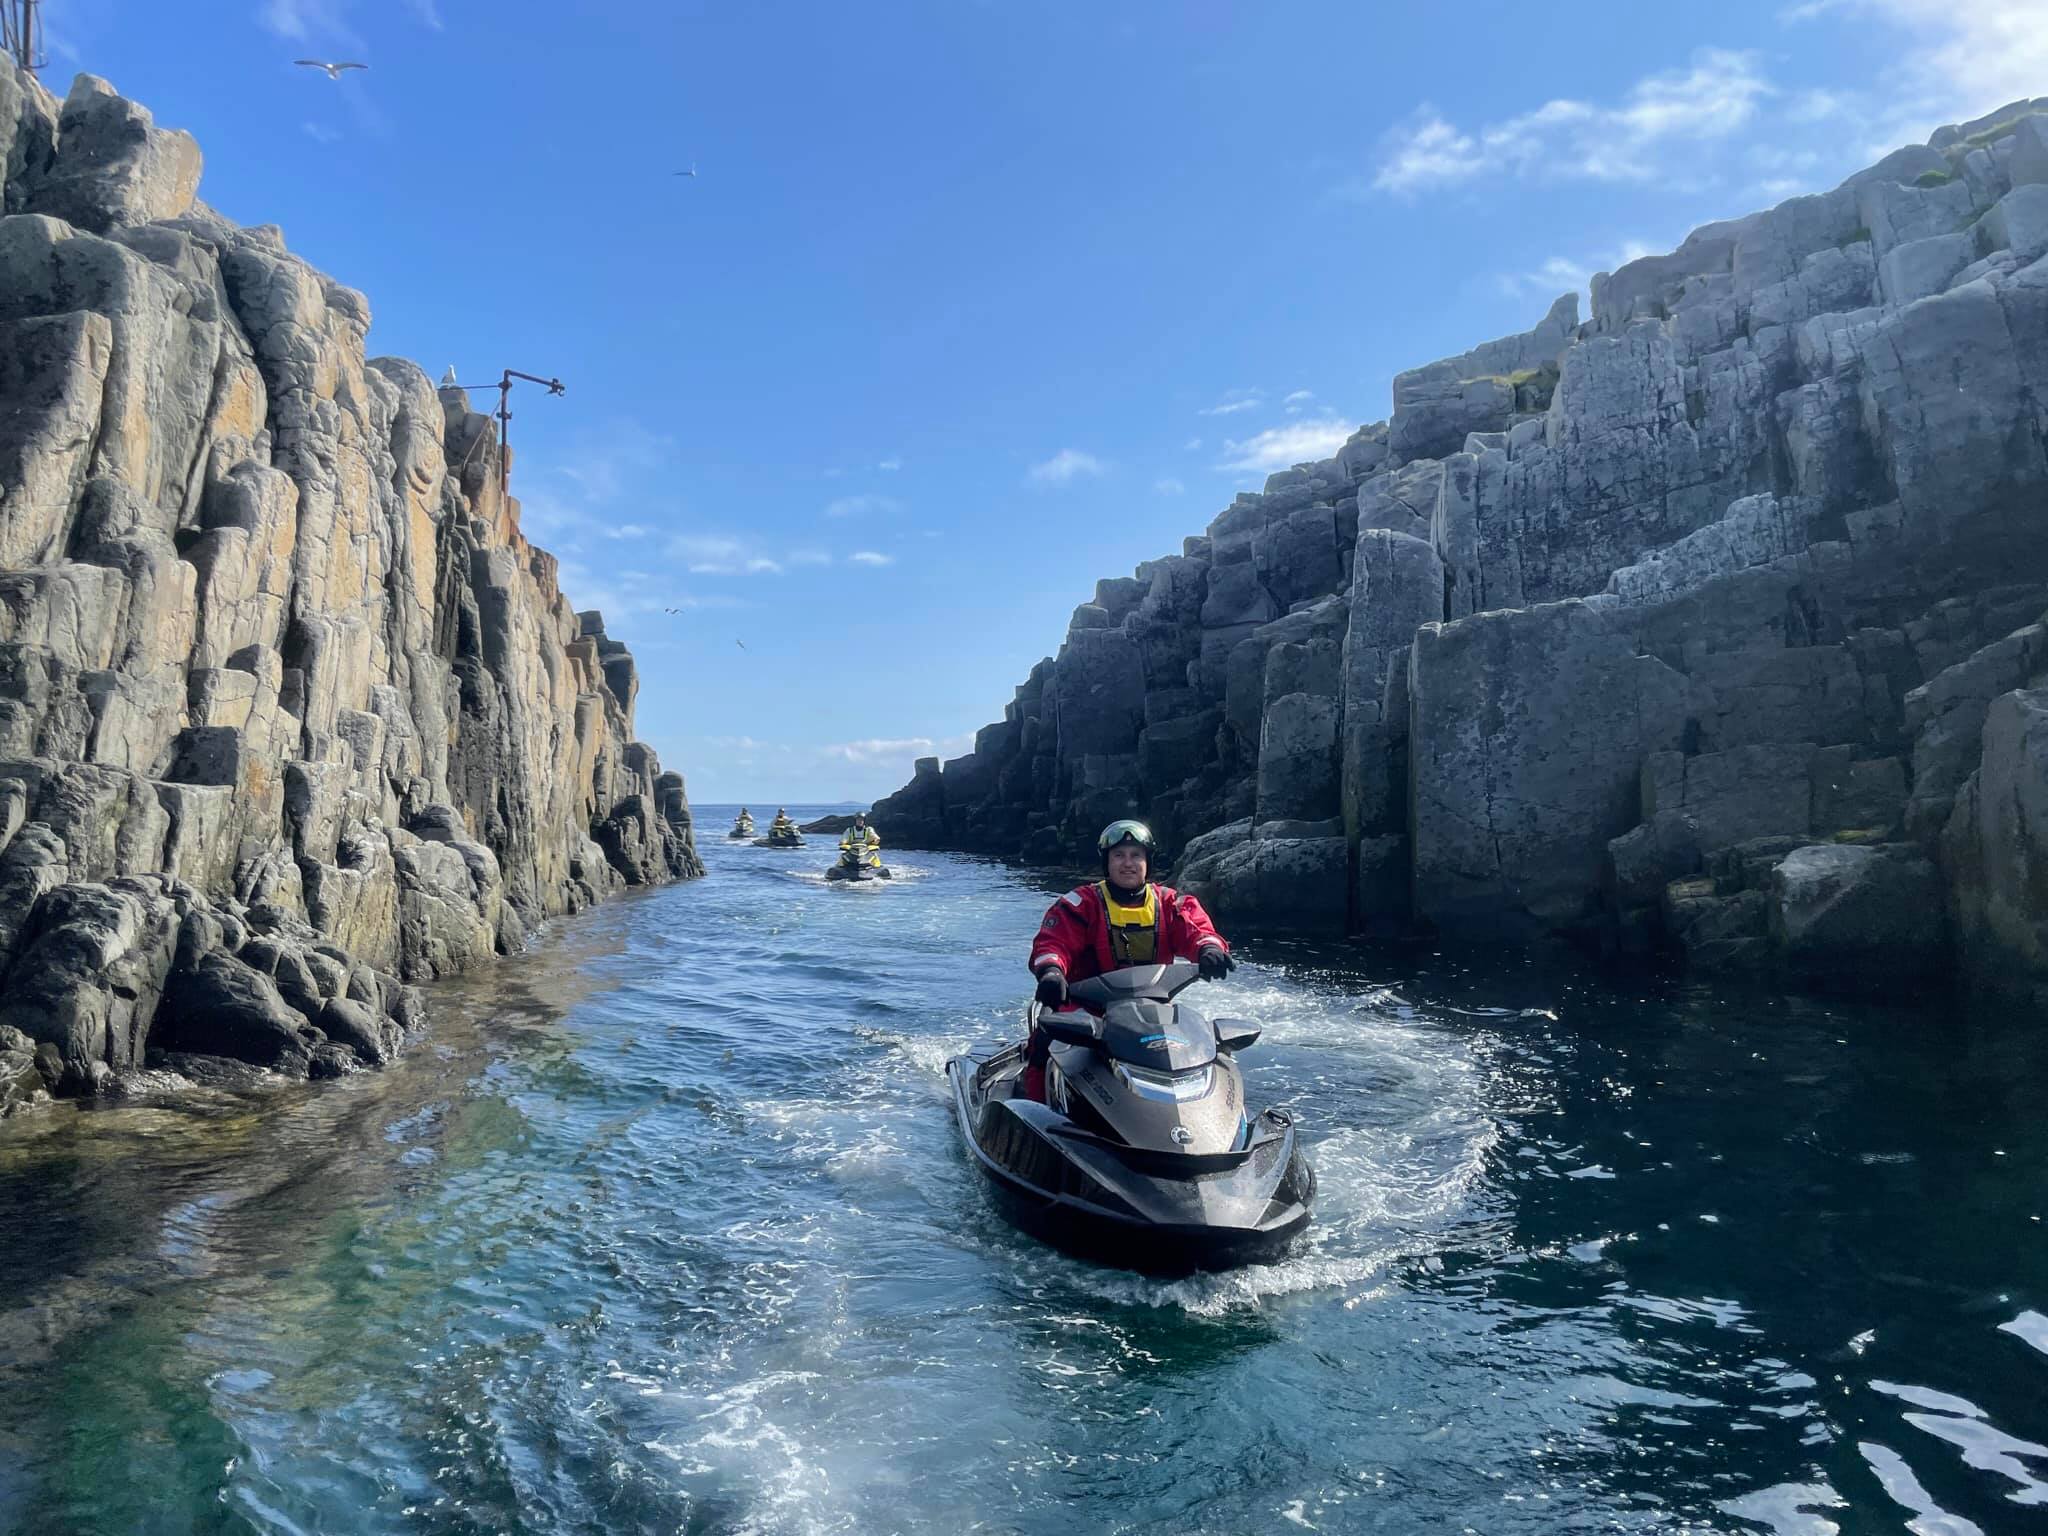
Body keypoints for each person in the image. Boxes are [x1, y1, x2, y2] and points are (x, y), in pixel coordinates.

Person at [1019, 819, 1234, 1103]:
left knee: (1216, 1052)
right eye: (1119, 855)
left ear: (1147, 862)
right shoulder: (1080, 904)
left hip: (1152, 1013)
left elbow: (1198, 931)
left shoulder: (1171, 903)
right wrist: (1052, 971)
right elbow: (1053, 943)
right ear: (1106, 862)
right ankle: (1034, 1106)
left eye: (1136, 856)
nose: (1127, 863)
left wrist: (1209, 950)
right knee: (1045, 1039)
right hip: (1086, 1011)